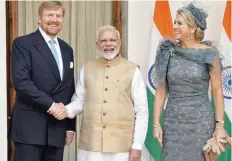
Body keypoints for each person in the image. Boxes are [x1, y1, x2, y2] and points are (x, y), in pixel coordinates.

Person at [54, 25, 149, 161]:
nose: (108, 44)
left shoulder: (132, 70)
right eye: (103, 41)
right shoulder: (87, 68)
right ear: (97, 44)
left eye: (112, 40)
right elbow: (79, 101)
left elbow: (142, 110)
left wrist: (137, 145)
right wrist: (65, 110)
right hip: (90, 145)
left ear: (119, 42)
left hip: (122, 147)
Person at [151, 2, 228, 161]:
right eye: (175, 22)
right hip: (173, 124)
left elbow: (217, 91)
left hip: (200, 123)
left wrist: (219, 126)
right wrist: (156, 123)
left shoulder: (209, 54)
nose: (175, 27)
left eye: (180, 23)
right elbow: (161, 91)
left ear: (192, 28)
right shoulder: (168, 52)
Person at [10, 1, 76, 161]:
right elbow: (21, 82)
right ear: (39, 18)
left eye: (58, 16)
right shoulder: (23, 43)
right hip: (30, 130)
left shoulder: (67, 49)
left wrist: (70, 127)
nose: (54, 19)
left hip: (57, 130)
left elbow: (69, 88)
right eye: (50, 15)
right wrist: (52, 106)